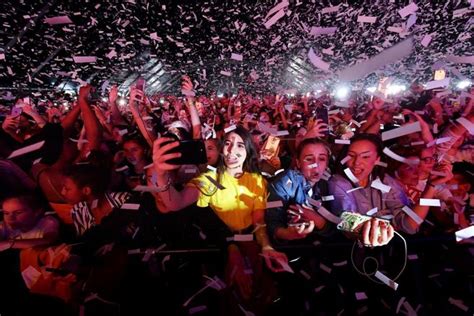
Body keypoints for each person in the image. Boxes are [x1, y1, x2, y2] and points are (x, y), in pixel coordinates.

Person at [151, 125, 288, 307]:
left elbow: (258, 220)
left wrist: (266, 246)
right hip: (219, 245)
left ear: (248, 150)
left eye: (240, 145)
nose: (232, 150)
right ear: (222, 148)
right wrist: (160, 174)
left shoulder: (257, 180)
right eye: (228, 143)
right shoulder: (210, 179)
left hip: (249, 242)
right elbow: (175, 203)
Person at [266, 137, 394, 246]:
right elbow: (271, 225)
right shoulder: (284, 184)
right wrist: (288, 234)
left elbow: (340, 222)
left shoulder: (331, 183)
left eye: (321, 159)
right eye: (309, 159)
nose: (315, 165)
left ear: (327, 163)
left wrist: (319, 221)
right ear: (298, 163)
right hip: (291, 250)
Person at [329, 133, 424, 235]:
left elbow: (409, 225)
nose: (356, 162)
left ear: (377, 159)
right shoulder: (338, 182)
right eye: (351, 156)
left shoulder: (386, 181)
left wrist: (431, 187)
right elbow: (347, 220)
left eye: (365, 157)